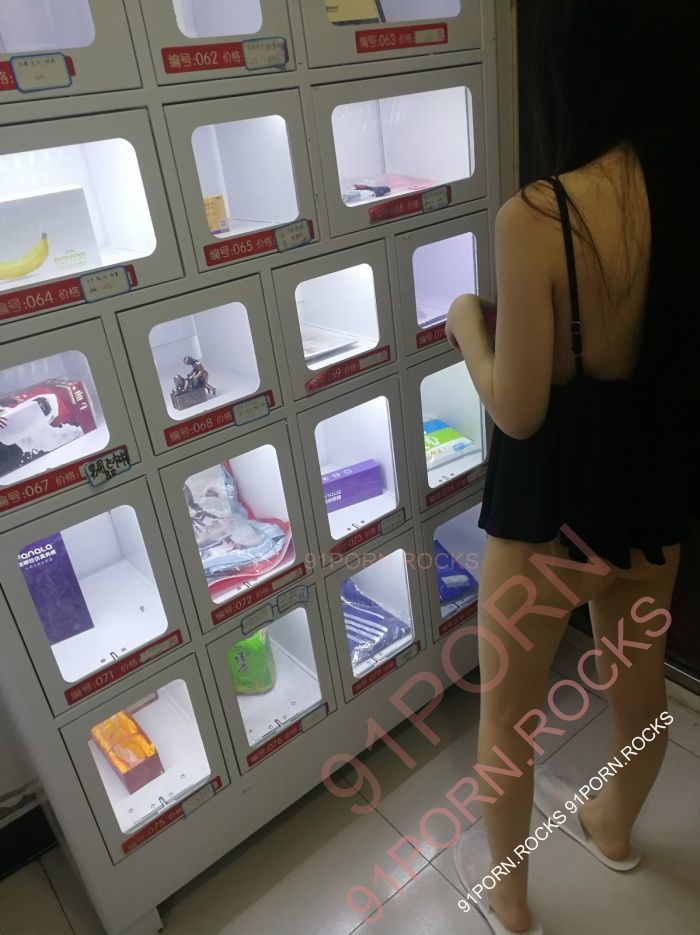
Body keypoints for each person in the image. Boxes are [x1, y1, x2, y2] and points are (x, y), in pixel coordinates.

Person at [445, 1, 699, 932]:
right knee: (638, 690)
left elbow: (519, 409)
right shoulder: (683, 189)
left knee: (506, 721)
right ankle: (616, 826)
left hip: (547, 511)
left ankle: (511, 902)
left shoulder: (537, 215)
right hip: (650, 491)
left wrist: (467, 329)